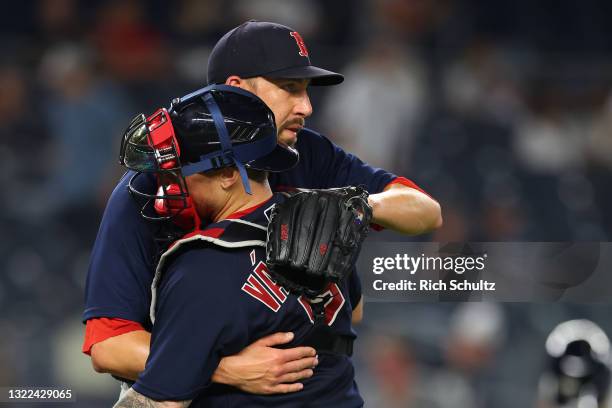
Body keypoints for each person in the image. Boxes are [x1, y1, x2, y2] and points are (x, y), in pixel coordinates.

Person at [83, 20, 442, 395]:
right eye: (290, 88)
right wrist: (222, 368)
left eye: (305, 90)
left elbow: (424, 211)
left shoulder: (305, 153)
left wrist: (354, 206)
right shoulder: (156, 184)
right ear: (237, 90)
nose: (306, 106)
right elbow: (109, 346)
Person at [114, 84, 363, 407]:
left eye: (179, 171)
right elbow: (355, 312)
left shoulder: (202, 267)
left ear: (230, 173)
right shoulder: (321, 223)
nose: (168, 186)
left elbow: (160, 401)